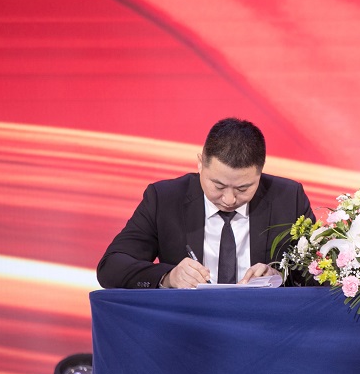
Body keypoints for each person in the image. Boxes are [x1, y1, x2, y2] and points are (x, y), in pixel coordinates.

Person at [97, 117, 315, 288]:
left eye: (243, 189)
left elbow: (319, 273)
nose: (229, 199)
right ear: (200, 164)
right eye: (218, 186)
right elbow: (111, 267)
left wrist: (279, 277)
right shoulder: (164, 199)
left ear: (260, 172)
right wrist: (169, 277)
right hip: (188, 324)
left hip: (263, 324)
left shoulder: (288, 198)